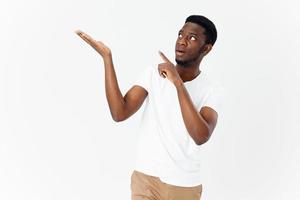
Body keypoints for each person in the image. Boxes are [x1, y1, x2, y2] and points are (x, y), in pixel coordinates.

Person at [75, 14, 222, 200]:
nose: (182, 42)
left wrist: (177, 84)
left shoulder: (211, 89)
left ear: (206, 49)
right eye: (180, 35)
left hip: (183, 185)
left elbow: (201, 136)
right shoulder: (153, 73)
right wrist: (107, 58)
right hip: (146, 179)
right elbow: (119, 112)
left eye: (192, 38)